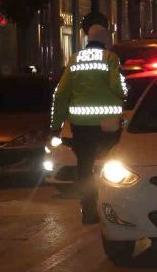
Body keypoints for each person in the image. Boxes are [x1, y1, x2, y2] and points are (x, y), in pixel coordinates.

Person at [51, 23, 126, 224]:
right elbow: (117, 86)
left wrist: (56, 125)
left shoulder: (75, 60)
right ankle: (115, 207)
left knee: (85, 166)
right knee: (114, 163)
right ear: (105, 40)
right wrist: (124, 94)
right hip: (108, 124)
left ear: (87, 39)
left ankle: (89, 211)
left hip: (81, 124)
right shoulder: (110, 58)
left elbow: (60, 94)